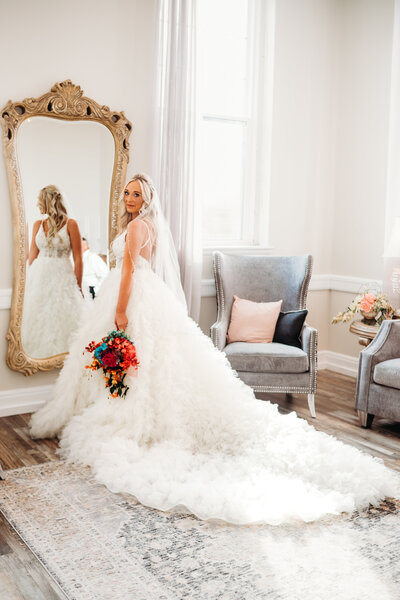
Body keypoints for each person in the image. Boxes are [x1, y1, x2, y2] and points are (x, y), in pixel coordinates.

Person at [29, 174, 398, 526]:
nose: (129, 199)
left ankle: (133, 415)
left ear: (147, 199)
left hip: (131, 296)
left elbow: (127, 270)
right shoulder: (148, 225)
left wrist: (121, 310)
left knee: (141, 361)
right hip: (146, 292)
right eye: (126, 193)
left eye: (135, 194)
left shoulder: (139, 225)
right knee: (154, 363)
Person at [22, 185, 85, 358]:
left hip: (63, 275)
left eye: (39, 200)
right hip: (40, 276)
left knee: (61, 315)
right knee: (39, 315)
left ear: (48, 201)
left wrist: (78, 286)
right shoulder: (37, 224)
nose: (37, 204)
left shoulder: (71, 224)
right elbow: (32, 256)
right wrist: (30, 282)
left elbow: (79, 258)